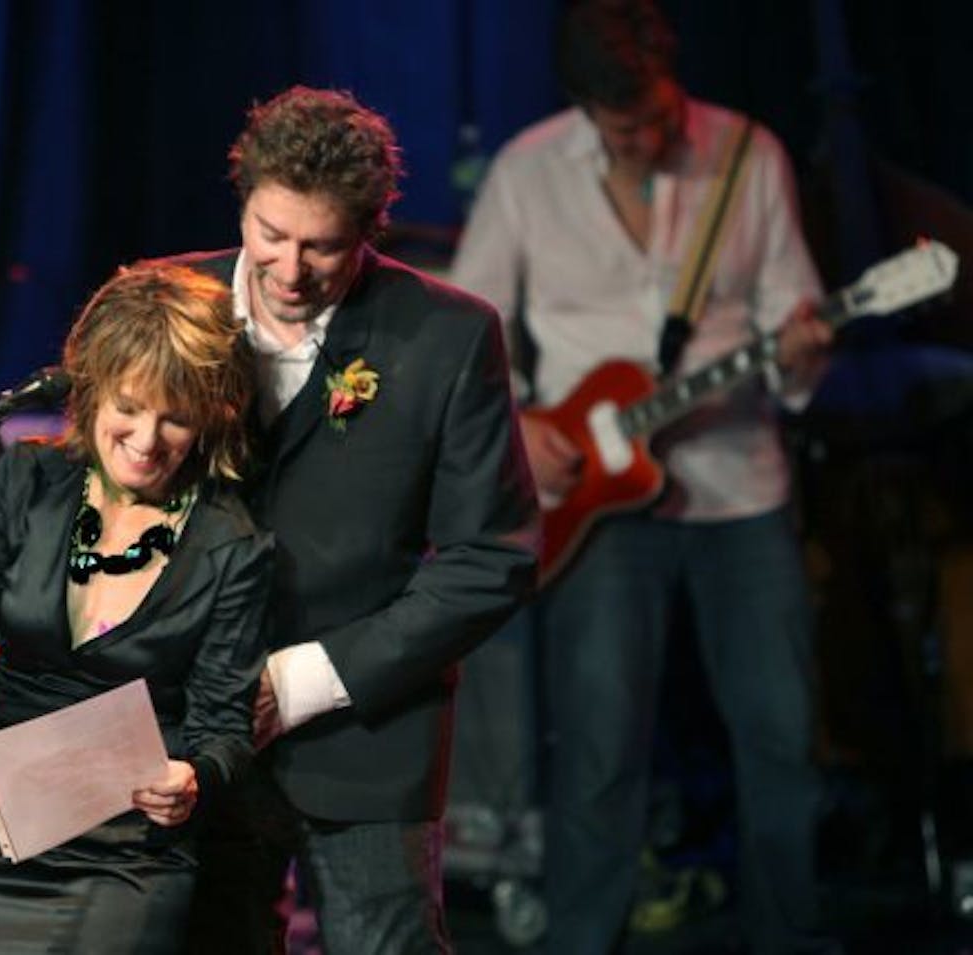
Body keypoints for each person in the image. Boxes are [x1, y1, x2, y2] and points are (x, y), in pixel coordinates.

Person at [449, 1, 837, 951]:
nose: (655, 139)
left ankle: (791, 935)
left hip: (740, 485)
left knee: (782, 737)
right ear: (585, 108)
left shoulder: (748, 155)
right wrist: (526, 429)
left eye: (663, 116)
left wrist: (800, 350)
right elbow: (470, 338)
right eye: (630, 128)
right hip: (599, 503)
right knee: (600, 749)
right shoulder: (527, 173)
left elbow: (793, 315)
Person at [177, 86, 539, 953]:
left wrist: (304, 680)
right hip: (187, 730)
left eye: (323, 247)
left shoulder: (448, 336)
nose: (291, 269)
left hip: (369, 739)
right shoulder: (164, 303)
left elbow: (491, 557)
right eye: (270, 235)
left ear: (369, 231)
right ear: (243, 200)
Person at [0, 262, 272, 953]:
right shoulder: (28, 478)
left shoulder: (230, 542)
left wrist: (196, 775)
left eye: (175, 416)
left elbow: (223, 727)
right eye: (129, 406)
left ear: (212, 414)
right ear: (90, 390)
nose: (148, 439)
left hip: (129, 855)